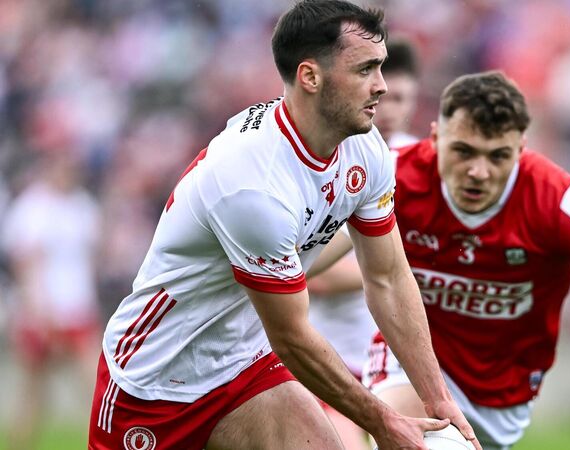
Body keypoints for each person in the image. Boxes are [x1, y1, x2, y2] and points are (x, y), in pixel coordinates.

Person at [87, 2, 481, 449]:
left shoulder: (365, 149)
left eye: (381, 67)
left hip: (245, 364)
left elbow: (388, 278)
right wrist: (384, 421)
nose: (382, 86)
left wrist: (437, 399)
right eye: (365, 70)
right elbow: (292, 336)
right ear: (310, 76)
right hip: (155, 383)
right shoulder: (253, 186)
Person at [340, 71, 570, 450]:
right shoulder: (391, 173)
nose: (478, 172)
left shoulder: (561, 203)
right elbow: (317, 251)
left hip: (501, 400)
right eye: (463, 151)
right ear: (435, 138)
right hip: (410, 363)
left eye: (498, 156)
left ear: (520, 150)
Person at [306, 37, 422, 450]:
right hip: (331, 359)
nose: (389, 110)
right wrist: (394, 268)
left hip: (392, 365)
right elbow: (312, 275)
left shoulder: (424, 167)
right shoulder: (332, 162)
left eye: (400, 99)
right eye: (383, 98)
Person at [2, 150, 102, 450]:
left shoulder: (82, 206)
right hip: (44, 311)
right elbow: (26, 265)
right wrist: (37, 310)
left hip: (77, 309)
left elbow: (90, 260)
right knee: (34, 391)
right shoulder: (33, 207)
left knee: (94, 381)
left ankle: (102, 439)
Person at [373, 38, 420, 149]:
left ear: (413, 101)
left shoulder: (420, 156)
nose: (387, 111)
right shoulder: (339, 152)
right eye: (377, 98)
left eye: (397, 99)